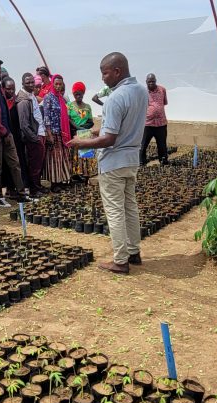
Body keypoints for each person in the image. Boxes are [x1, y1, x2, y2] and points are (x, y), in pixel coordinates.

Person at [70, 52, 147, 275]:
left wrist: (80, 142)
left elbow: (109, 139)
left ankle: (121, 261)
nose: (102, 78)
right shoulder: (141, 91)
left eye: (104, 73)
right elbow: (122, 125)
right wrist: (98, 129)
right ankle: (134, 251)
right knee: (129, 206)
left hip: (113, 162)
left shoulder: (115, 98)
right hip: (132, 159)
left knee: (114, 210)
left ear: (117, 71)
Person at [0, 58, 29, 206]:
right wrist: (2, 132)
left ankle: (22, 194)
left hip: (6, 132)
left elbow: (4, 110)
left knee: (15, 163)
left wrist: (7, 132)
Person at [16, 72, 45, 197]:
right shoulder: (23, 101)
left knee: (38, 164)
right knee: (34, 166)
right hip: (33, 137)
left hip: (39, 133)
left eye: (32, 82)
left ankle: (37, 186)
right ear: (22, 83)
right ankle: (34, 190)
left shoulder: (31, 95)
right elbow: (24, 125)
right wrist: (35, 139)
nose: (31, 84)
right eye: (28, 83)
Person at [41, 74, 72, 192]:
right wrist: (48, 134)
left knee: (63, 157)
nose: (58, 86)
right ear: (53, 84)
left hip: (61, 133)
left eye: (60, 84)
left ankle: (61, 181)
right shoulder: (48, 97)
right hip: (53, 133)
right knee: (55, 159)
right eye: (56, 84)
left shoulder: (61, 98)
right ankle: (54, 183)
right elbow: (46, 117)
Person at [3, 76, 29, 193]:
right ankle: (10, 188)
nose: (11, 91)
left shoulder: (17, 102)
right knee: (7, 165)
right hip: (7, 137)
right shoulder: (2, 103)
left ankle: (20, 186)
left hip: (18, 138)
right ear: (3, 89)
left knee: (19, 162)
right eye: (8, 89)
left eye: (13, 89)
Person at [68, 81, 97, 180]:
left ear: (83, 93)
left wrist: (83, 129)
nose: (78, 96)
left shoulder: (88, 107)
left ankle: (85, 174)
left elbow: (90, 121)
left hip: (85, 133)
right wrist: (77, 128)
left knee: (85, 155)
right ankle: (76, 174)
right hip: (75, 133)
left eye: (80, 93)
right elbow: (69, 119)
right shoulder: (70, 106)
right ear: (73, 94)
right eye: (76, 94)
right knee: (75, 155)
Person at [141, 73, 169, 166]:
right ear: (146, 82)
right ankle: (141, 161)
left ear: (156, 80)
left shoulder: (162, 90)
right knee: (143, 144)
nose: (151, 83)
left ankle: (163, 160)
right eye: (149, 82)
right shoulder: (143, 92)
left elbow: (164, 103)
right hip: (148, 124)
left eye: (153, 81)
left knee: (162, 144)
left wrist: (156, 109)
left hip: (161, 123)